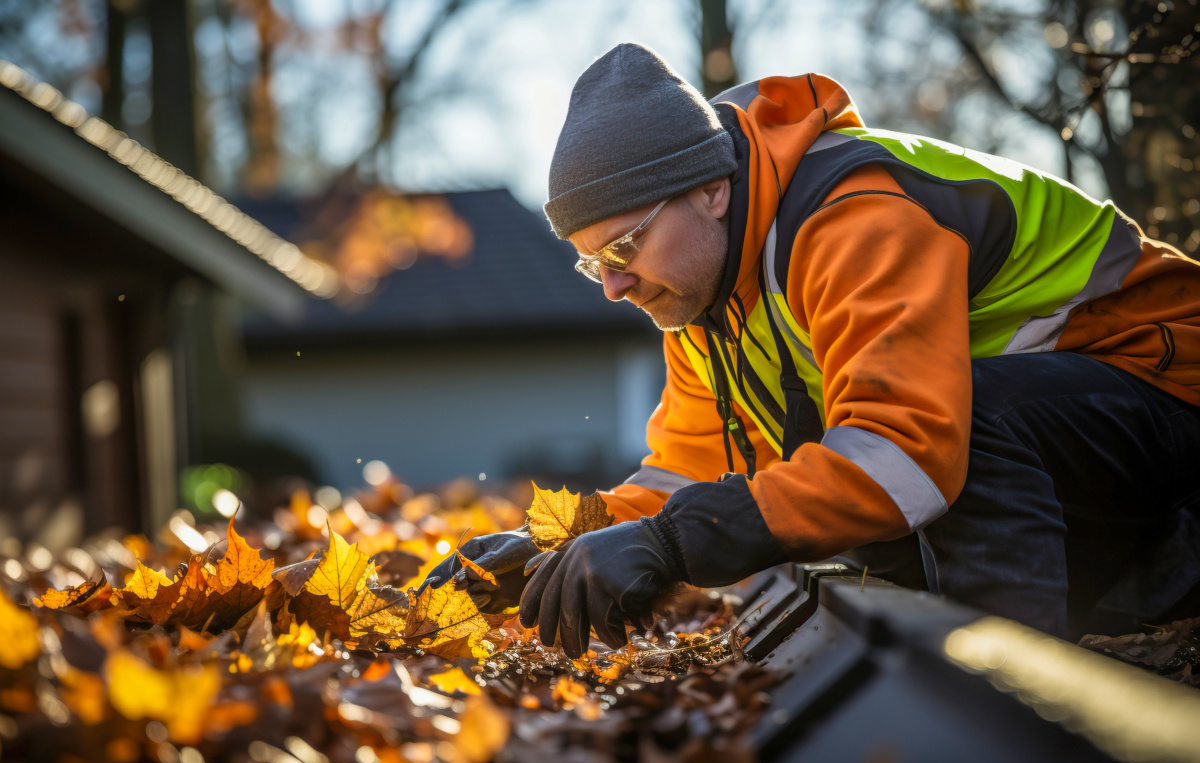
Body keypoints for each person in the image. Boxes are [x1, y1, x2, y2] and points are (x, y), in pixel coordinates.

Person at [422, 43, 1200, 658]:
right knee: (829, 489)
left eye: (626, 246)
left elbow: (909, 454)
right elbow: (689, 469)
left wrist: (670, 543)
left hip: (1167, 388)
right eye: (595, 262)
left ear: (711, 190)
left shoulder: (852, 217)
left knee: (947, 427)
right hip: (1088, 430)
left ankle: (1012, 704)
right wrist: (566, 541)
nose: (613, 287)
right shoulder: (702, 298)